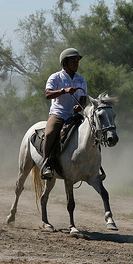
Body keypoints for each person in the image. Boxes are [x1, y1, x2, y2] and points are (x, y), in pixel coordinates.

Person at [41, 48, 88, 180]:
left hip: (74, 115)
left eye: (77, 61)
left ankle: (95, 166)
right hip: (59, 114)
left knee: (93, 130)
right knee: (50, 133)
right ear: (64, 63)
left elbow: (83, 100)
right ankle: (46, 164)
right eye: (73, 61)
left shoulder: (81, 80)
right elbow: (48, 94)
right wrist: (63, 90)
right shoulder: (55, 77)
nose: (76, 64)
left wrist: (79, 106)